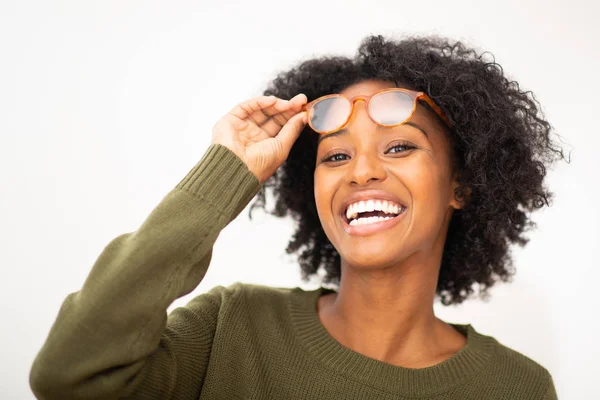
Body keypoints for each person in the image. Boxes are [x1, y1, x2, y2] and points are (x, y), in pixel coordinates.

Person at [29, 34, 564, 399]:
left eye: (399, 147)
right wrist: (226, 175)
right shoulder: (231, 328)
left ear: (461, 186)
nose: (360, 172)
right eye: (335, 156)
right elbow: (69, 373)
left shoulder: (515, 387)